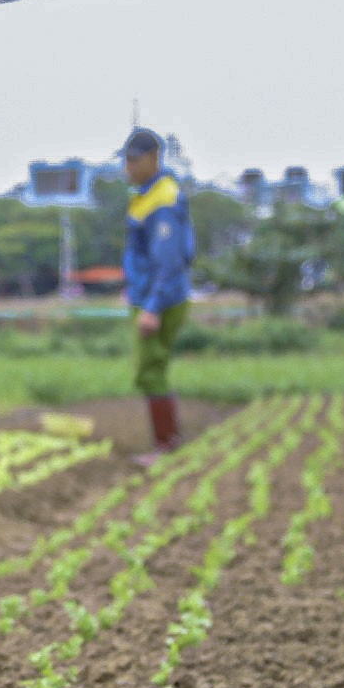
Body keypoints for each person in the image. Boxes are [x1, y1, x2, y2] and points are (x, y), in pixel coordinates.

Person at [120, 127, 195, 462]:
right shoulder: (149, 195)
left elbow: (169, 259)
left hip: (160, 299)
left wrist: (152, 306)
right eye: (125, 160)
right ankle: (168, 441)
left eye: (134, 160)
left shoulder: (162, 200)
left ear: (153, 158)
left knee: (150, 369)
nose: (128, 168)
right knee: (152, 369)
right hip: (150, 295)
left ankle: (166, 446)